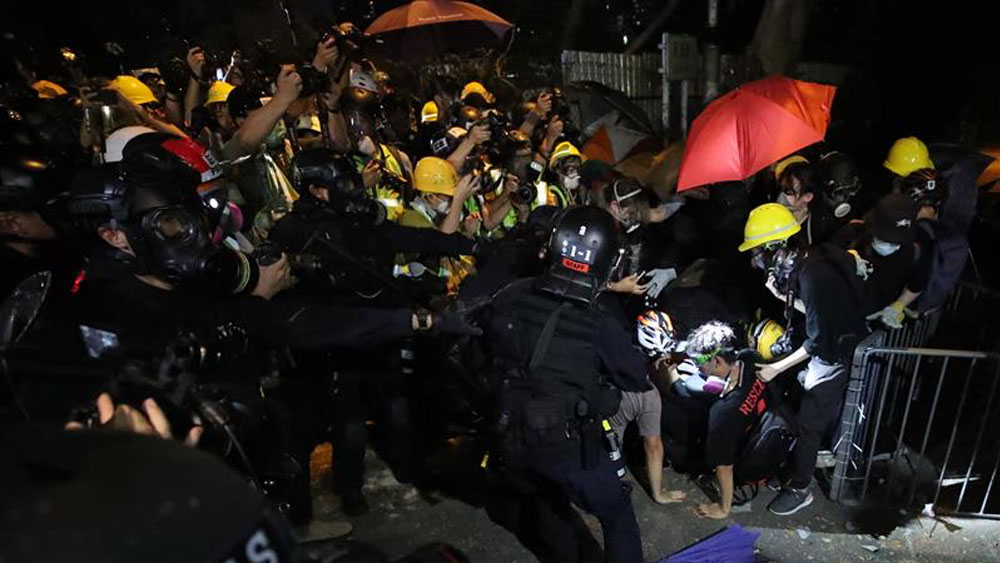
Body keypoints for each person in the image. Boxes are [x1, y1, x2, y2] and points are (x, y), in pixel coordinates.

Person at [483, 206, 646, 563]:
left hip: (509, 433)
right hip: (567, 446)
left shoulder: (513, 293)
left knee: (548, 504)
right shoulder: (598, 322)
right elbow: (636, 377)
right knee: (617, 515)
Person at [740, 203, 867, 516]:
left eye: (758, 252)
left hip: (834, 356)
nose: (756, 260)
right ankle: (790, 468)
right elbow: (815, 313)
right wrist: (780, 296)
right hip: (831, 344)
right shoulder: (811, 259)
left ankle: (800, 488)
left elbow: (817, 339)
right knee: (797, 407)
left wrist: (774, 368)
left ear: (775, 248)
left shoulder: (815, 276)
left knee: (810, 425)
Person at [687, 322, 766, 520]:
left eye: (700, 363)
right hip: (760, 425)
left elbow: (724, 466)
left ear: (718, 362)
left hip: (744, 450)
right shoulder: (751, 358)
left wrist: (723, 508)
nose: (698, 367)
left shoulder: (722, 413)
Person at [622, 309, 687, 505]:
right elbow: (653, 447)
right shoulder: (648, 395)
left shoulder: (620, 343)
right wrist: (659, 494)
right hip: (606, 441)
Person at [773, 155, 837, 246]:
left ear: (808, 197)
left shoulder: (821, 224)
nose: (782, 196)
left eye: (789, 192)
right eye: (782, 189)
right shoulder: (772, 218)